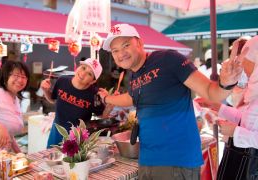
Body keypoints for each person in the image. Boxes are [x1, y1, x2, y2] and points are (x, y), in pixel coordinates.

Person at [98, 23, 243, 180]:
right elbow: (130, 98)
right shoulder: (133, 75)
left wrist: (226, 83)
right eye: (115, 50)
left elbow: (210, 92)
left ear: (139, 43)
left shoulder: (168, 59)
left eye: (125, 45)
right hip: (148, 159)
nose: (121, 53)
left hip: (176, 161)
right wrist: (107, 98)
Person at [198, 36, 258, 180]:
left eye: (247, 59)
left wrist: (235, 132)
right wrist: (218, 107)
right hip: (240, 157)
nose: (243, 66)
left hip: (251, 164)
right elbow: (247, 119)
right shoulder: (254, 88)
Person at [40, 58, 112, 148]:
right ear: (78, 67)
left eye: (89, 74)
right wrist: (45, 90)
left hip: (77, 137)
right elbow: (52, 99)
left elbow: (102, 115)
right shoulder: (62, 81)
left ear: (93, 81)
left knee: (73, 161)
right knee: (51, 159)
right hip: (57, 130)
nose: (83, 73)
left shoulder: (94, 94)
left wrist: (110, 105)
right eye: (83, 68)